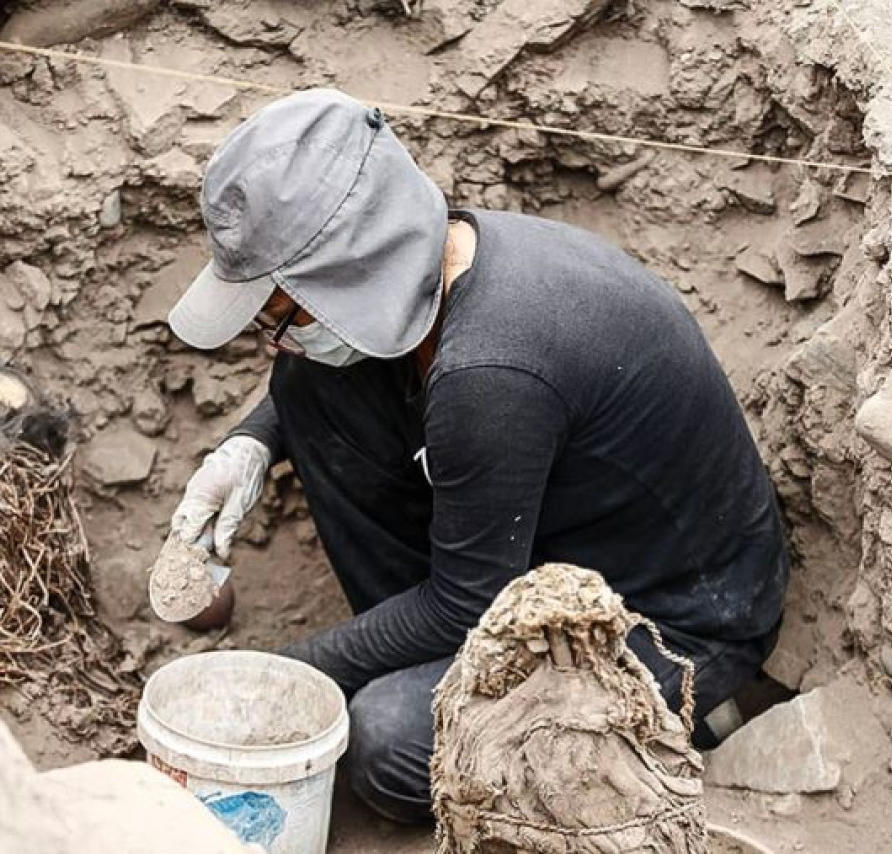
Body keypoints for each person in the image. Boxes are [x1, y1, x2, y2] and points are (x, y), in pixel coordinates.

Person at [165, 89, 789, 824]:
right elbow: (313, 373)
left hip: (675, 620)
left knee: (389, 741)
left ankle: (661, 727)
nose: (275, 338)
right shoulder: (447, 257)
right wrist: (250, 442)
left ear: (356, 268)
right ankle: (425, 664)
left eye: (282, 313)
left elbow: (465, 604)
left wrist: (285, 679)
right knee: (309, 383)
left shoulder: (491, 375)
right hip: (544, 545)